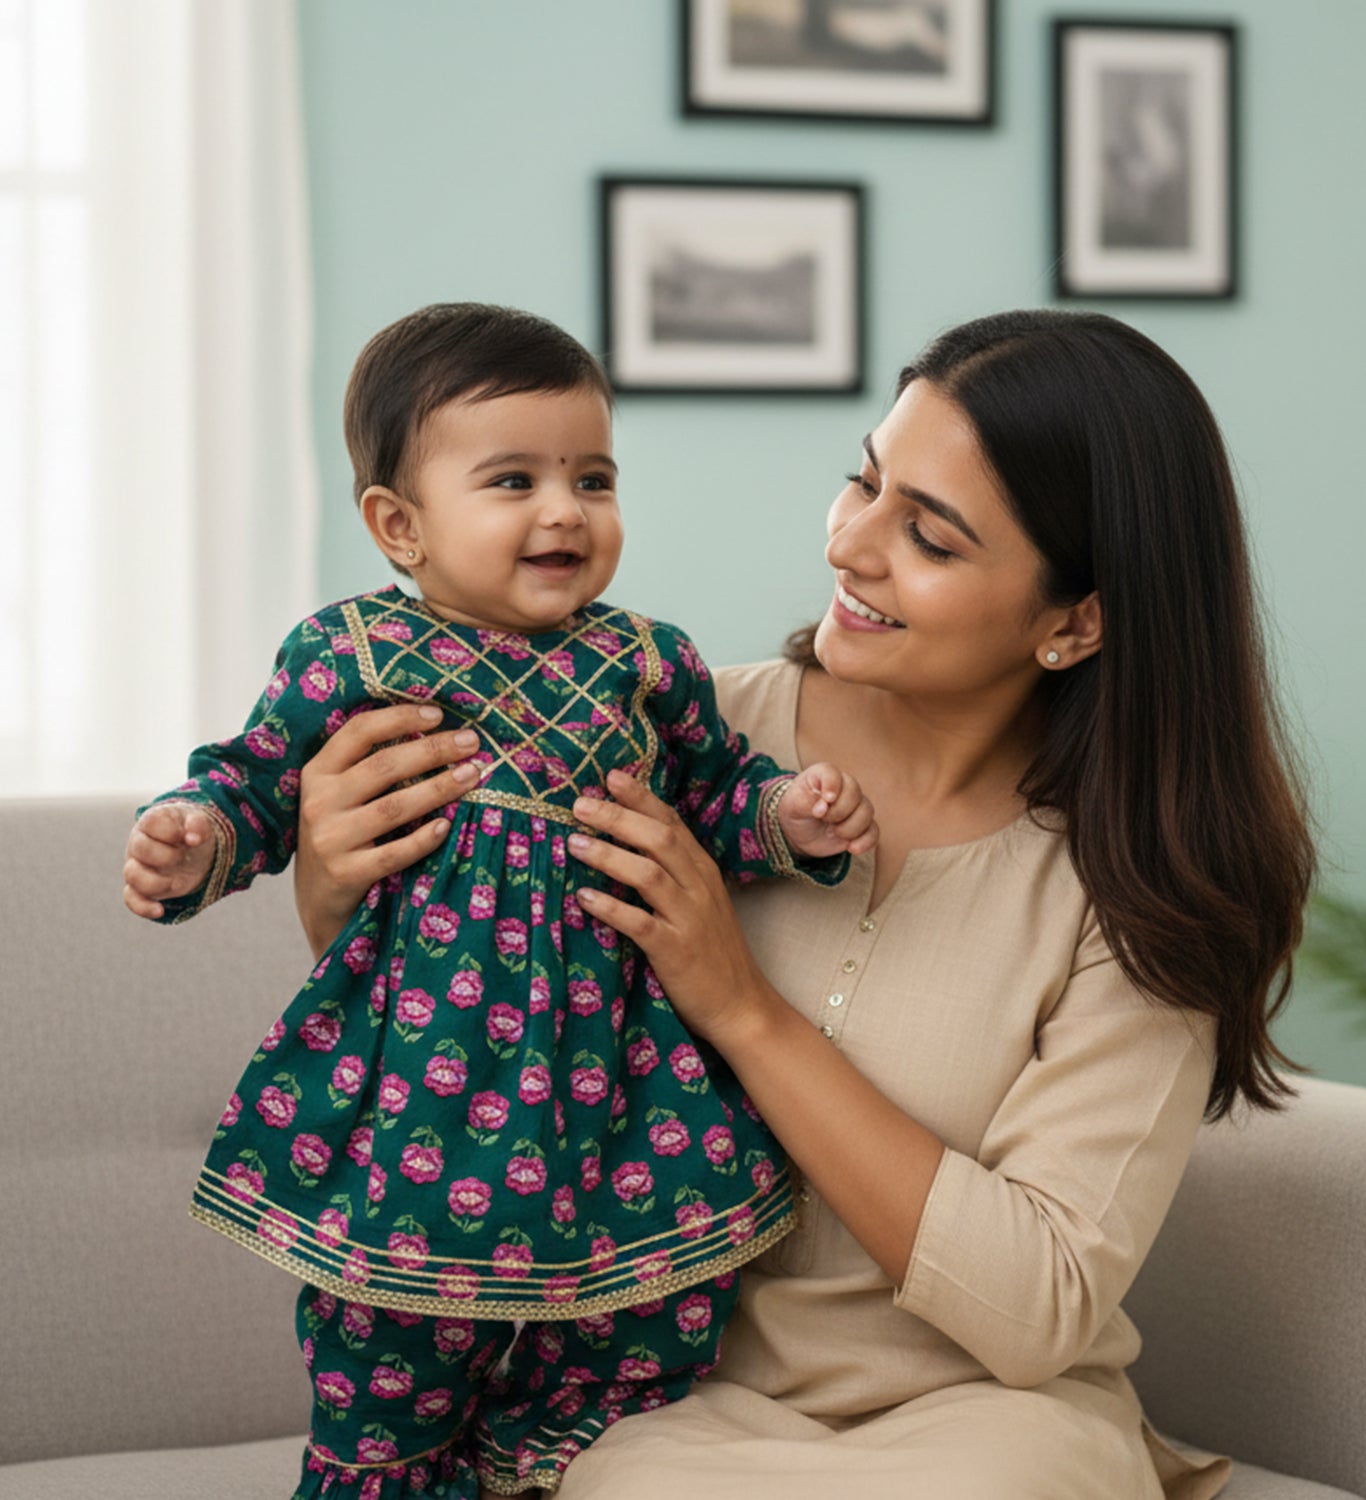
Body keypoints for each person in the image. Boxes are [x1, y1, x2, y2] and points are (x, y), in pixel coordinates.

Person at [283, 309, 1316, 1500]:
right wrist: (333, 878)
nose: (855, 546)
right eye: (864, 482)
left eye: (928, 535)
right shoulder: (658, 736)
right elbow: (450, 1021)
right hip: (656, 1398)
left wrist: (742, 1007)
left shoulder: (1144, 891)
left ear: (1073, 620)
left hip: (989, 1422)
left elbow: (1039, 1310)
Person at [121, 303, 877, 1500]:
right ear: (399, 524)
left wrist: (789, 817)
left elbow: (719, 793)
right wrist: (199, 836)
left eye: (593, 475)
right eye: (513, 479)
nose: (565, 509)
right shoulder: (353, 653)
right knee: (390, 1355)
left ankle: (540, 1466)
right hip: (423, 1082)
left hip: (623, 1077)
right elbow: (261, 779)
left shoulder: (647, 661)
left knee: (655, 1324)